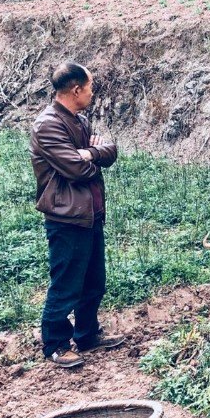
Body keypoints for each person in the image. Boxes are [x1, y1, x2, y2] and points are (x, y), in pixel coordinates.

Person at [29, 62, 124, 368]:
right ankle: (55, 344)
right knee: (67, 283)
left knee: (94, 281)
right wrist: (89, 157)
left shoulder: (78, 121)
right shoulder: (48, 125)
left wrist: (92, 152)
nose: (93, 93)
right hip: (67, 218)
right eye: (91, 87)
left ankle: (87, 334)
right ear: (76, 89)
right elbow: (77, 168)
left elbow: (110, 150)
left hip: (91, 215)